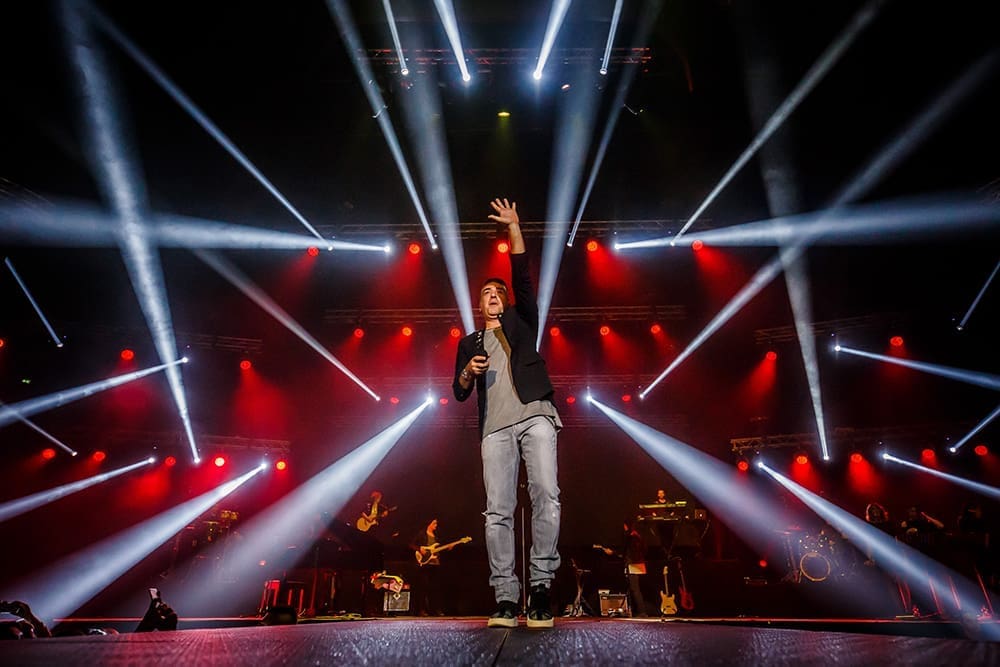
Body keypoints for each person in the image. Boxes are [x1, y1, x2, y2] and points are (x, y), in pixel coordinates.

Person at [453, 198, 562, 629]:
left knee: (546, 495)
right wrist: (468, 371)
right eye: (487, 293)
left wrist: (514, 227)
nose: (494, 295)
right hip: (494, 428)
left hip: (535, 415)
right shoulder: (469, 342)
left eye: (498, 292)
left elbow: (522, 275)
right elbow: (459, 391)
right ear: (480, 304)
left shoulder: (522, 322)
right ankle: (504, 596)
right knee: (497, 510)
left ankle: (541, 589)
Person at [411, 519, 445, 616]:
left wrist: (448, 547)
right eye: (434, 523)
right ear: (429, 523)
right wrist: (419, 549)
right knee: (423, 587)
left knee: (435, 588)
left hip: (435, 563)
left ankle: (435, 610)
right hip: (425, 564)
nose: (436, 525)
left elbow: (439, 548)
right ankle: (422, 609)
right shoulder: (421, 534)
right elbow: (412, 544)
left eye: (436, 523)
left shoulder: (437, 536)